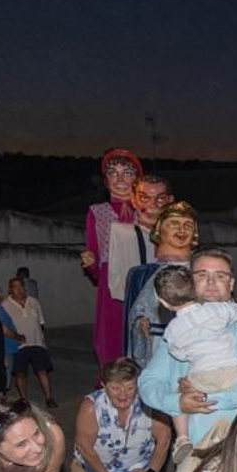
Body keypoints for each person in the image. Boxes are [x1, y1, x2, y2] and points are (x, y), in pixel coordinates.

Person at [139, 249, 237, 449]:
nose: (211, 282)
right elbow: (148, 382)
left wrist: (208, 400)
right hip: (196, 448)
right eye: (202, 275)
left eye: (220, 276)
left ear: (231, 284)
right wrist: (177, 402)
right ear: (188, 283)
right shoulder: (178, 331)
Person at [74, 358, 170, 472]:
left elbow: (164, 440)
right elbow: (84, 445)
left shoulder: (151, 401)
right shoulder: (91, 406)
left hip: (137, 460)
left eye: (129, 387)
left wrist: (150, 471)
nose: (123, 394)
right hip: (99, 461)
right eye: (115, 388)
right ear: (104, 385)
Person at [156, 265, 237, 446]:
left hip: (203, 376)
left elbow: (180, 354)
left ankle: (182, 438)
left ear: (163, 302)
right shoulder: (216, 309)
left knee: (178, 395)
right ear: (195, 290)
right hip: (235, 370)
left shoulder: (172, 330)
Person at [82, 148, 143, 364]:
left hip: (143, 278)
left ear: (137, 179)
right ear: (106, 181)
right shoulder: (97, 212)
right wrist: (90, 262)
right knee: (112, 337)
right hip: (111, 282)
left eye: (126, 173)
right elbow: (95, 263)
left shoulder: (149, 212)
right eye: (113, 173)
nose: (120, 179)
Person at [124, 200, 199, 363]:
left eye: (188, 225)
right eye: (174, 223)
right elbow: (135, 315)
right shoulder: (141, 275)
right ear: (159, 229)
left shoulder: (204, 271)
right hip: (157, 347)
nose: (182, 230)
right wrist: (140, 324)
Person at [109, 174, 173, 342]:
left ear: (169, 201)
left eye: (159, 199)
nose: (151, 205)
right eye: (144, 198)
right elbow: (117, 284)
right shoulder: (122, 234)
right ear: (133, 199)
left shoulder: (180, 236)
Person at [2, 276, 56, 408]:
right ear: (10, 289)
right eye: (15, 287)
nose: (19, 290)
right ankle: (24, 400)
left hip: (37, 342)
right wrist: (15, 338)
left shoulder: (33, 302)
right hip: (19, 345)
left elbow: (41, 322)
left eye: (21, 286)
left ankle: (49, 397)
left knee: (42, 371)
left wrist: (42, 339)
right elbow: (5, 326)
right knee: (20, 374)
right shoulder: (5, 305)